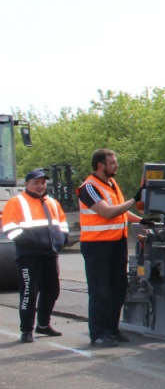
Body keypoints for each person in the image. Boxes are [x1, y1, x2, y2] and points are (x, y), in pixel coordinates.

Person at [77, 148, 140, 348]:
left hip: (116, 243)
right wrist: (134, 200)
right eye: (112, 163)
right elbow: (107, 212)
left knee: (118, 288)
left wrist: (144, 222)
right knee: (100, 291)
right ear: (100, 166)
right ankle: (98, 333)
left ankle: (112, 329)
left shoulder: (112, 184)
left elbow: (121, 213)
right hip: (97, 245)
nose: (116, 165)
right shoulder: (88, 187)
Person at [2, 169, 69, 342]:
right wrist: (28, 241)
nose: (40, 186)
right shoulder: (16, 202)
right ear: (27, 184)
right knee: (28, 294)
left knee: (52, 291)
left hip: (50, 254)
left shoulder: (53, 203)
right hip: (29, 256)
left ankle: (43, 325)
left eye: (43, 183)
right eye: (36, 183)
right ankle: (26, 330)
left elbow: (62, 224)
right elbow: (9, 227)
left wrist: (62, 239)